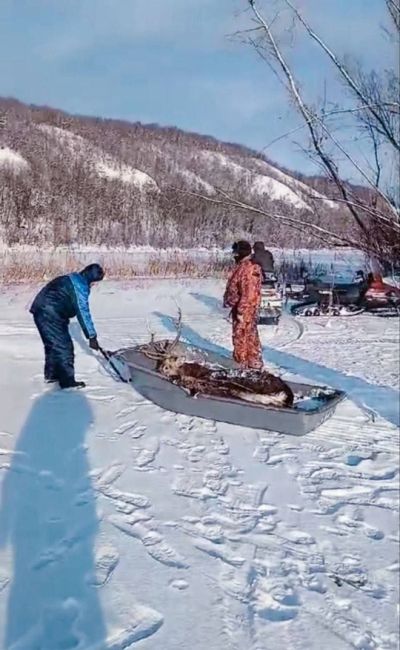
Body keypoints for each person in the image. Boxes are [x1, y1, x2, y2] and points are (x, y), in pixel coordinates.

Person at [30, 263, 104, 389]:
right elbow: (83, 311)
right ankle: (67, 382)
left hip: (42, 310)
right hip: (50, 313)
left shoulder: (73, 278)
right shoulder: (80, 286)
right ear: (91, 278)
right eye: (95, 282)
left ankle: (52, 376)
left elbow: (62, 299)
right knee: (64, 347)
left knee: (53, 345)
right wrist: (92, 336)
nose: (94, 285)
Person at [223, 240, 263, 369]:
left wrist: (241, 311)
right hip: (241, 308)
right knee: (247, 336)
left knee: (243, 337)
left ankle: (243, 365)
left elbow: (250, 293)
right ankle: (248, 364)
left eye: (236, 253)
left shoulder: (249, 269)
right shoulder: (243, 266)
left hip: (245, 310)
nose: (234, 255)